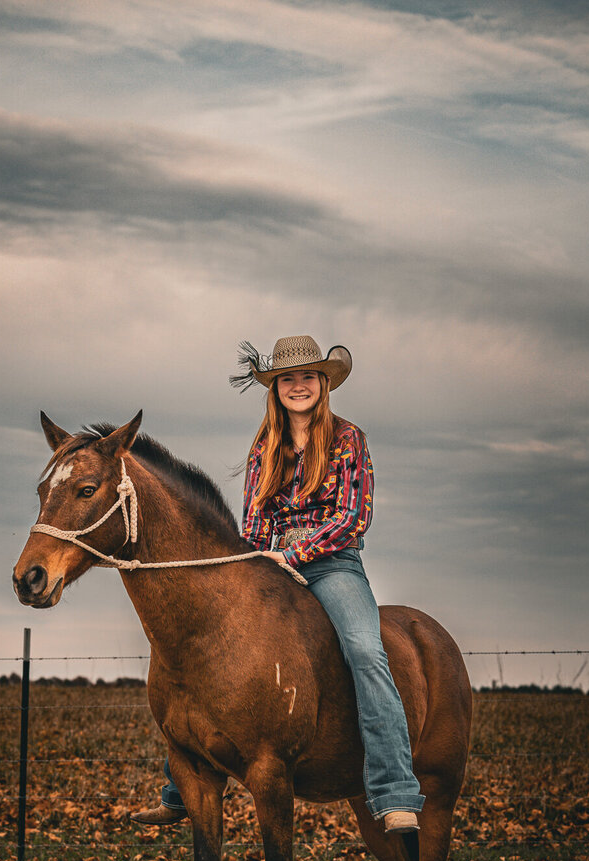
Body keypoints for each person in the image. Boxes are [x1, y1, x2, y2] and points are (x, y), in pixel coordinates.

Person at [131, 335, 424, 832]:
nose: (298, 386)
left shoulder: (349, 439)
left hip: (331, 564)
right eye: (288, 379)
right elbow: (254, 516)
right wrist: (252, 562)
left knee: (364, 650)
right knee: (208, 647)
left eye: (308, 377)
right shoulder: (265, 445)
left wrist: (295, 551)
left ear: (323, 384)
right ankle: (179, 786)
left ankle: (394, 787)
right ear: (276, 388)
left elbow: (354, 517)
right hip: (270, 561)